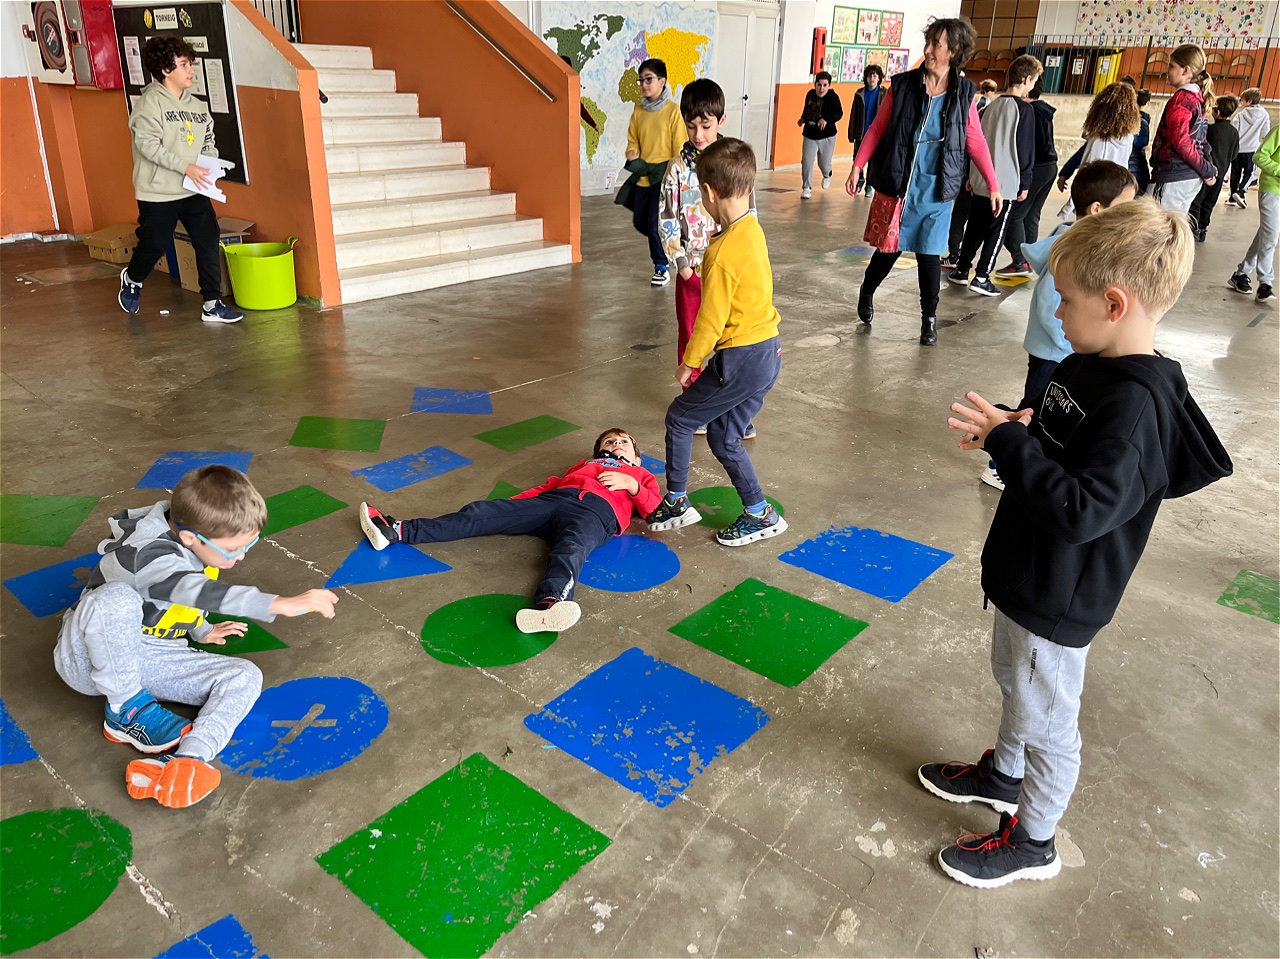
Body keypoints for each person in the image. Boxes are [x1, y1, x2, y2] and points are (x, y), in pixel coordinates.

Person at [927, 198, 1232, 888]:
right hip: (1027, 575)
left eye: (1065, 299)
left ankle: (1034, 841)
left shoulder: (1137, 407)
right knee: (1018, 688)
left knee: (1049, 723)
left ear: (1115, 304)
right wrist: (1020, 426)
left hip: (1059, 598)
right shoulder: (1089, 360)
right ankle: (1003, 777)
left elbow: (1083, 509)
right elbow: (1062, 433)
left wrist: (1010, 445)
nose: (1056, 312)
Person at [54, 466, 339, 809]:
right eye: (234, 549)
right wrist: (278, 604)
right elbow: (188, 586)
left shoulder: (196, 535)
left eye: (248, 545)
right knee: (116, 599)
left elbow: (186, 589)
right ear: (190, 538)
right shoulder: (146, 552)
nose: (241, 556)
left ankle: (187, 761)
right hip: (87, 657)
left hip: (148, 655)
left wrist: (201, 628)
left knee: (245, 675)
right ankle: (124, 712)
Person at [360, 429, 660, 633]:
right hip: (554, 501)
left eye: (623, 441)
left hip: (596, 513)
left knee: (571, 550)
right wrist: (510, 508)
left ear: (637, 457)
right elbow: (549, 486)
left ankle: (550, 604)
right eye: (609, 441)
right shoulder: (583, 465)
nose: (616, 444)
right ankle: (396, 530)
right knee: (480, 514)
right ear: (598, 451)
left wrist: (632, 485)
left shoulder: (640, 474)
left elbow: (656, 510)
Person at [646, 138, 786, 546]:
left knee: (680, 418)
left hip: (740, 358)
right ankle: (760, 513)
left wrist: (689, 362)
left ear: (707, 192)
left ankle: (676, 501)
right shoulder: (752, 230)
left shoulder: (721, 252)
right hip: (768, 352)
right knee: (725, 437)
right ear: (749, 187)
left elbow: (711, 319)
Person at [982, 161, 1139, 491]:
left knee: (1043, 411)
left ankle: (1023, 457)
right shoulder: (1073, 250)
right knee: (1034, 411)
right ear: (1097, 209)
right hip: (1054, 352)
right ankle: (999, 465)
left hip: (1062, 350)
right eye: (1124, 206)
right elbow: (1049, 305)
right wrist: (1073, 347)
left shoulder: (1085, 244)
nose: (1130, 213)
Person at [847, 16, 1002, 346]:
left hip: (938, 188)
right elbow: (877, 128)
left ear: (954, 51)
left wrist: (993, 184)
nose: (928, 50)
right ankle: (867, 289)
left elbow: (975, 141)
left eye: (936, 45)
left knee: (929, 255)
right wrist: (857, 165)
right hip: (902, 184)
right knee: (889, 250)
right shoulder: (903, 86)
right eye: (928, 42)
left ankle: (928, 320)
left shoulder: (963, 94)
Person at [117, 36, 243, 323]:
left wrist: (209, 163)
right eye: (184, 64)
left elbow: (208, 140)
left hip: (193, 189)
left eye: (190, 64)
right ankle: (133, 279)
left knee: (207, 239)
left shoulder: (198, 107)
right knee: (155, 244)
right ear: (166, 69)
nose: (191, 70)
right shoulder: (149, 104)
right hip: (158, 192)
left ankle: (212, 303)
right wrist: (185, 167)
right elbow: (148, 146)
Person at [659, 79, 758, 442]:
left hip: (730, 268)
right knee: (693, 337)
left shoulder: (734, 164)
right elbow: (666, 219)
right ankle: (698, 406)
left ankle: (733, 410)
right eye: (691, 126)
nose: (698, 134)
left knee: (731, 339)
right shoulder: (676, 168)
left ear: (721, 120)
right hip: (693, 273)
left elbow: (750, 214)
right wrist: (682, 263)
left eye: (706, 125)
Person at [950, 55, 1042, 294]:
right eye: (1034, 81)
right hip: (1005, 183)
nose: (1033, 86)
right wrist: (1025, 182)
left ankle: (961, 270)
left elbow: (976, 145)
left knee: (974, 227)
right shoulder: (1025, 110)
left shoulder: (989, 107)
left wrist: (971, 176)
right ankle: (982, 276)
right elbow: (1025, 150)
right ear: (1026, 79)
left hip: (981, 179)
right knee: (996, 231)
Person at [622, 58, 685, 287]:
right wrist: (632, 151)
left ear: (662, 81)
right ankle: (671, 241)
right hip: (644, 176)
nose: (644, 85)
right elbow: (633, 139)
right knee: (640, 222)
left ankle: (661, 266)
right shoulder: (639, 111)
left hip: (664, 177)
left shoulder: (673, 111)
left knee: (653, 223)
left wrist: (675, 174)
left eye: (649, 79)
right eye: (641, 80)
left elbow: (679, 147)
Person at [1054, 82, 1141, 218]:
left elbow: (1088, 172)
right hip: (1117, 191)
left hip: (1096, 194)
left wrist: (1068, 208)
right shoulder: (1128, 137)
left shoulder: (1099, 140)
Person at [1150, 44, 1218, 215]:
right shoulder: (1197, 98)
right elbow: (1201, 141)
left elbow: (1181, 141)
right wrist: (1207, 168)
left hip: (1174, 174)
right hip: (1188, 175)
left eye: (1172, 66)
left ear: (1186, 70)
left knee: (1158, 225)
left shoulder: (1182, 99)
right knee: (1173, 224)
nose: (1167, 71)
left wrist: (1206, 169)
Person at [1228, 124, 1280, 304]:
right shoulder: (1279, 131)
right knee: (1271, 237)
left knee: (1266, 234)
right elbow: (1259, 156)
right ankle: (1265, 283)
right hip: (1271, 191)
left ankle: (1241, 274)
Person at [1013, 80, 1057, 253]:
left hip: (1038, 167)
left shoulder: (1031, 111)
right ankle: (1029, 258)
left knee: (1016, 215)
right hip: (1049, 165)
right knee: (1032, 215)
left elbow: (1032, 144)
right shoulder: (1043, 110)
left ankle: (1020, 258)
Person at [1188, 96, 1240, 242]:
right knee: (1209, 202)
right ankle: (1203, 229)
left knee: (1196, 201)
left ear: (1217, 112)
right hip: (1221, 173)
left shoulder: (1209, 129)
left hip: (1205, 172)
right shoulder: (1234, 132)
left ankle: (1192, 229)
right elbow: (1234, 154)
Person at [797, 71, 844, 199]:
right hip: (810, 134)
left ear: (829, 86)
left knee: (823, 163)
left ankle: (827, 174)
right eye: (819, 85)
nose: (821, 88)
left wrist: (826, 119)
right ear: (815, 84)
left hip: (827, 136)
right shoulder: (810, 95)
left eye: (824, 85)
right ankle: (806, 187)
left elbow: (839, 113)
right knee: (807, 161)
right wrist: (803, 119)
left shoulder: (833, 98)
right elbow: (806, 109)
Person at [1228, 88, 1271, 208]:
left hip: (1238, 149)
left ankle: (1232, 197)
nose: (1241, 102)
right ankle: (1241, 192)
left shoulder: (1240, 115)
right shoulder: (1264, 114)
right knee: (1249, 172)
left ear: (1249, 101)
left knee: (1235, 173)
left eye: (1242, 100)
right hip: (1251, 149)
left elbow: (1234, 131)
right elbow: (1266, 133)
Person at [847, 64, 886, 197]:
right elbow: (854, 115)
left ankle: (869, 184)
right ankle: (860, 179)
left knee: (873, 161)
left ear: (879, 78)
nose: (872, 78)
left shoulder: (884, 94)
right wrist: (851, 133)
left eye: (875, 76)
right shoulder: (860, 94)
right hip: (861, 133)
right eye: (870, 76)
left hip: (877, 136)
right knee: (857, 158)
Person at [1129, 89, 1153, 195]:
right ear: (1148, 103)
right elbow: (1142, 144)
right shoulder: (1144, 121)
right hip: (1137, 165)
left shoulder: (1126, 117)